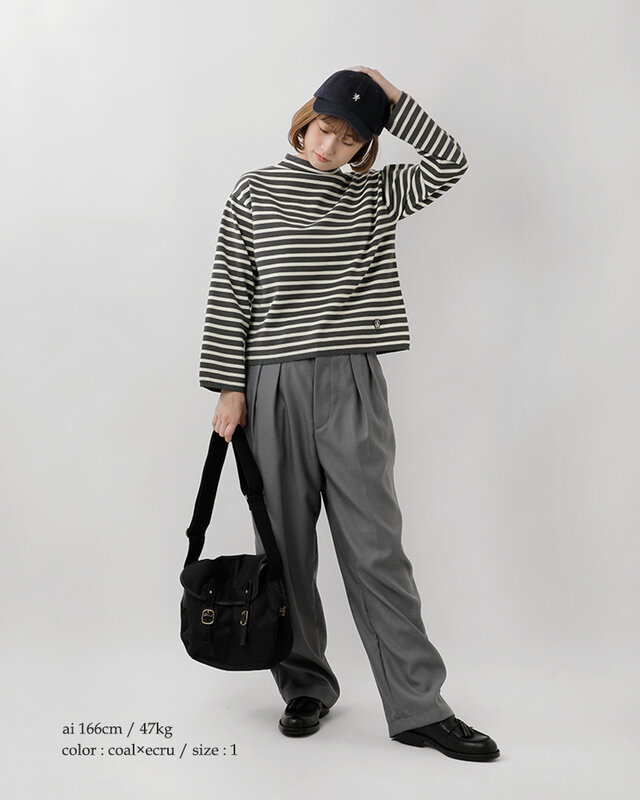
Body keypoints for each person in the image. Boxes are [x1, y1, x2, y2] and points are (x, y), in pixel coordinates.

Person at [198, 66, 500, 762]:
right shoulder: (253, 192)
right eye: (323, 128)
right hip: (270, 383)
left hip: (353, 383)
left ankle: (419, 706)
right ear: (305, 120)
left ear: (367, 144)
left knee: (377, 548)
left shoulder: (376, 193)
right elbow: (231, 288)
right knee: (285, 550)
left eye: (349, 138)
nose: (329, 146)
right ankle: (304, 685)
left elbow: (450, 162)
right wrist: (229, 388)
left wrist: (392, 99)